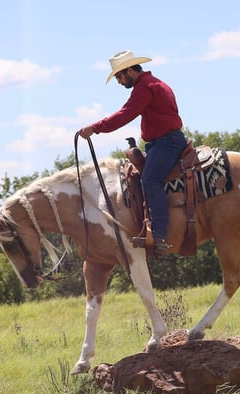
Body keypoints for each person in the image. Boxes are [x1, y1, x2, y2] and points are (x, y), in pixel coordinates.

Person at [78, 50, 187, 256]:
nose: (119, 81)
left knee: (150, 181)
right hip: (163, 142)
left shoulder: (145, 88)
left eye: (120, 76)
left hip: (166, 143)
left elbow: (124, 114)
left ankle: (160, 234)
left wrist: (95, 127)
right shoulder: (155, 83)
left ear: (130, 70)